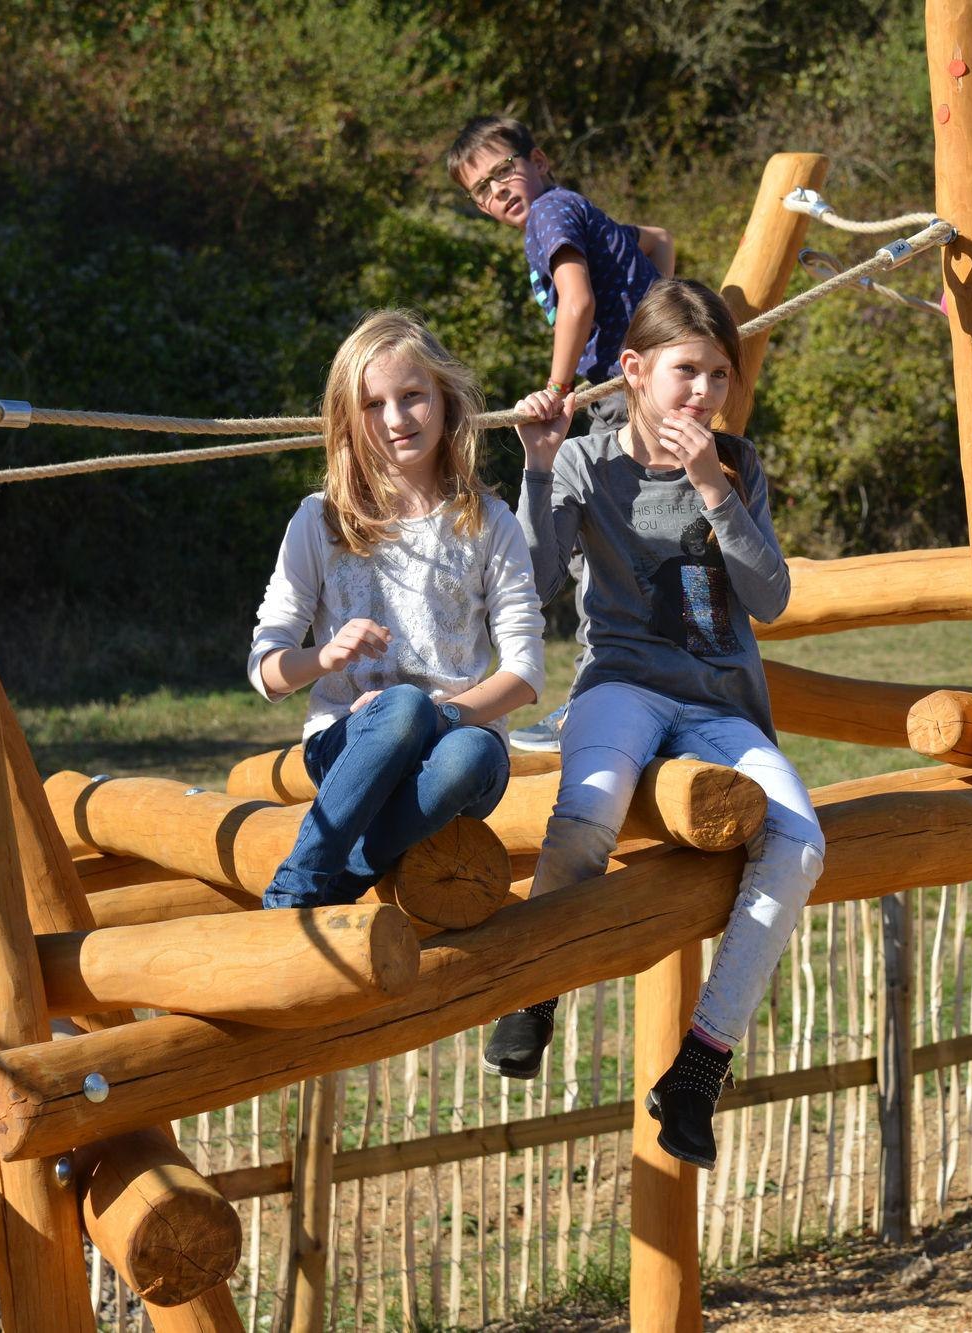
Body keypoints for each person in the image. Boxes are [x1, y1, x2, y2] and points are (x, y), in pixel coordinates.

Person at [488, 279, 822, 1170]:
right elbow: (534, 584)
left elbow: (771, 598)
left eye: (720, 374)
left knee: (800, 844)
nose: (705, 392)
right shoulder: (585, 461)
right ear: (634, 370)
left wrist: (713, 487)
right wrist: (536, 466)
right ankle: (533, 991)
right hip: (622, 683)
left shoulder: (737, 464)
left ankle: (699, 1070)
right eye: (687, 371)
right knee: (589, 810)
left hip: (720, 704)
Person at [248, 309, 544, 909]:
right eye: (373, 404)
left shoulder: (490, 522)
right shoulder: (319, 520)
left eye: (412, 396)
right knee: (400, 709)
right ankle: (304, 888)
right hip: (347, 744)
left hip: (456, 748)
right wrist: (324, 658)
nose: (396, 419)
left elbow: (527, 673)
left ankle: (321, 885)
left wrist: (439, 716)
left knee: (466, 746)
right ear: (348, 419)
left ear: (445, 398)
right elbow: (265, 671)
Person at [446, 114, 674, 753]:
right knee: (625, 547)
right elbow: (658, 240)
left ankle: (591, 705)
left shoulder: (549, 213)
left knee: (597, 549)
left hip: (620, 398)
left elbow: (577, 302)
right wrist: (666, 321)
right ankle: (625, 696)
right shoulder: (575, 209)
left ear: (539, 160)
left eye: (503, 171)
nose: (498, 192)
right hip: (636, 391)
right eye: (481, 190)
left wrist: (557, 386)